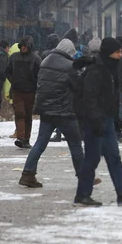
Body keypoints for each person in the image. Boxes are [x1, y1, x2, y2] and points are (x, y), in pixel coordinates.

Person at [74, 38, 122, 207]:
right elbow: (90, 99)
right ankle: (82, 195)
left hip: (106, 121)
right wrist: (95, 121)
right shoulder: (95, 71)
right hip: (95, 122)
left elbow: (111, 98)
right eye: (117, 52)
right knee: (91, 159)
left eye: (121, 51)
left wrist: (116, 119)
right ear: (108, 53)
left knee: (114, 157)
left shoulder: (110, 70)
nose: (121, 55)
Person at [19, 39, 86, 188]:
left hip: (46, 110)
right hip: (64, 111)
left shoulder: (45, 61)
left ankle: (27, 174)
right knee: (75, 144)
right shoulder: (70, 66)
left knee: (40, 143)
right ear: (69, 52)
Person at [5, 36, 41, 149]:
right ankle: (21, 137)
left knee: (27, 115)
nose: (24, 48)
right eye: (23, 46)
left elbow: (39, 75)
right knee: (21, 114)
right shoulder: (33, 58)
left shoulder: (34, 59)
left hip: (28, 91)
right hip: (19, 90)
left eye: (26, 46)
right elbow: (8, 71)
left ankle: (25, 138)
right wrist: (15, 81)